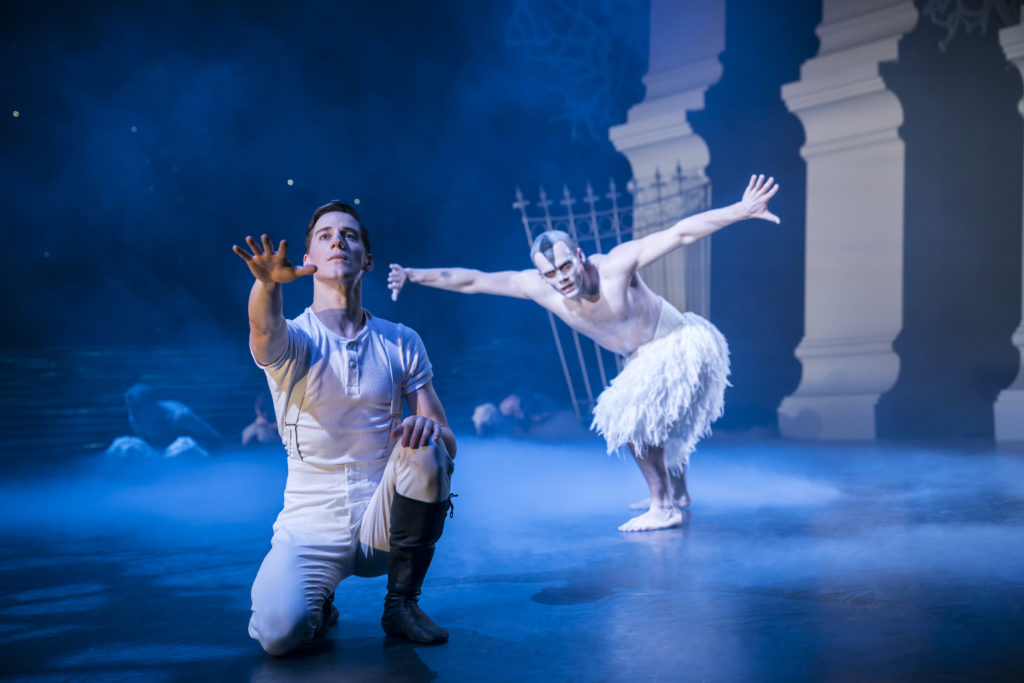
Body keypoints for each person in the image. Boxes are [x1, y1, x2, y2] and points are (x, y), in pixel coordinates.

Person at [389, 175, 779, 532]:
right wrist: (412, 274)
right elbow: (474, 280)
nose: (562, 278)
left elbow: (680, 234)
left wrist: (741, 210)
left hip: (678, 340)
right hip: (645, 355)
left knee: (626, 417)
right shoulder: (540, 287)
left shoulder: (614, 267)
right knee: (657, 424)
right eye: (552, 274)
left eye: (565, 266)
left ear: (579, 254)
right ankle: (677, 494)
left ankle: (664, 507)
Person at [232, 200, 457, 655]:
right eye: (326, 234)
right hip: (311, 527)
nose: (339, 240)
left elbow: (448, 440)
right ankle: (317, 606)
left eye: (350, 235)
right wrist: (265, 285)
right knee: (279, 635)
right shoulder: (296, 337)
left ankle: (401, 605)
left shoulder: (400, 339)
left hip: (384, 523)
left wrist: (425, 429)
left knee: (428, 448)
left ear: (367, 259)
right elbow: (263, 329)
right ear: (308, 259)